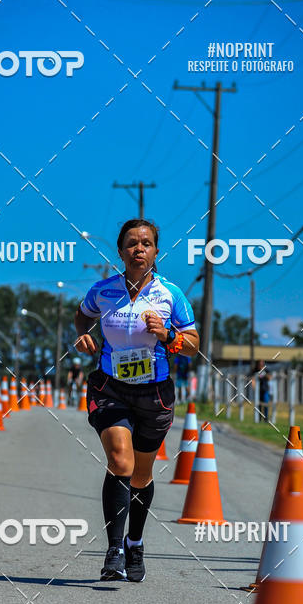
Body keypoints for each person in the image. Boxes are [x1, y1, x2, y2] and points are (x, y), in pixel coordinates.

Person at [75, 218, 199, 583]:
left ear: (156, 251)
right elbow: (81, 317)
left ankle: (135, 542)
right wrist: (83, 335)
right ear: (120, 251)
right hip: (110, 388)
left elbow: (193, 346)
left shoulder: (170, 294)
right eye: (131, 243)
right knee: (119, 460)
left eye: (146, 243)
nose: (138, 249)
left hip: (154, 394)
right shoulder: (103, 291)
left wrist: (168, 334)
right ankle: (113, 551)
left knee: (142, 475)